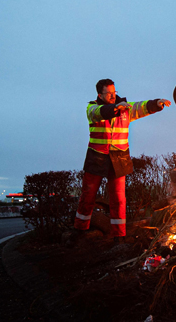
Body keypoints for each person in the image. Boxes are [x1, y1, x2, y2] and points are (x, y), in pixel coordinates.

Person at [72, 79, 170, 244]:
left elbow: (141, 106)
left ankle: (119, 235)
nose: (112, 96)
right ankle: (80, 230)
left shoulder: (126, 108)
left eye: (114, 92)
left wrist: (157, 103)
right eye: (108, 93)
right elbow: (100, 112)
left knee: (119, 199)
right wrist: (115, 109)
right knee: (88, 196)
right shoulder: (92, 108)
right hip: (96, 157)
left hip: (119, 158)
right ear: (99, 95)